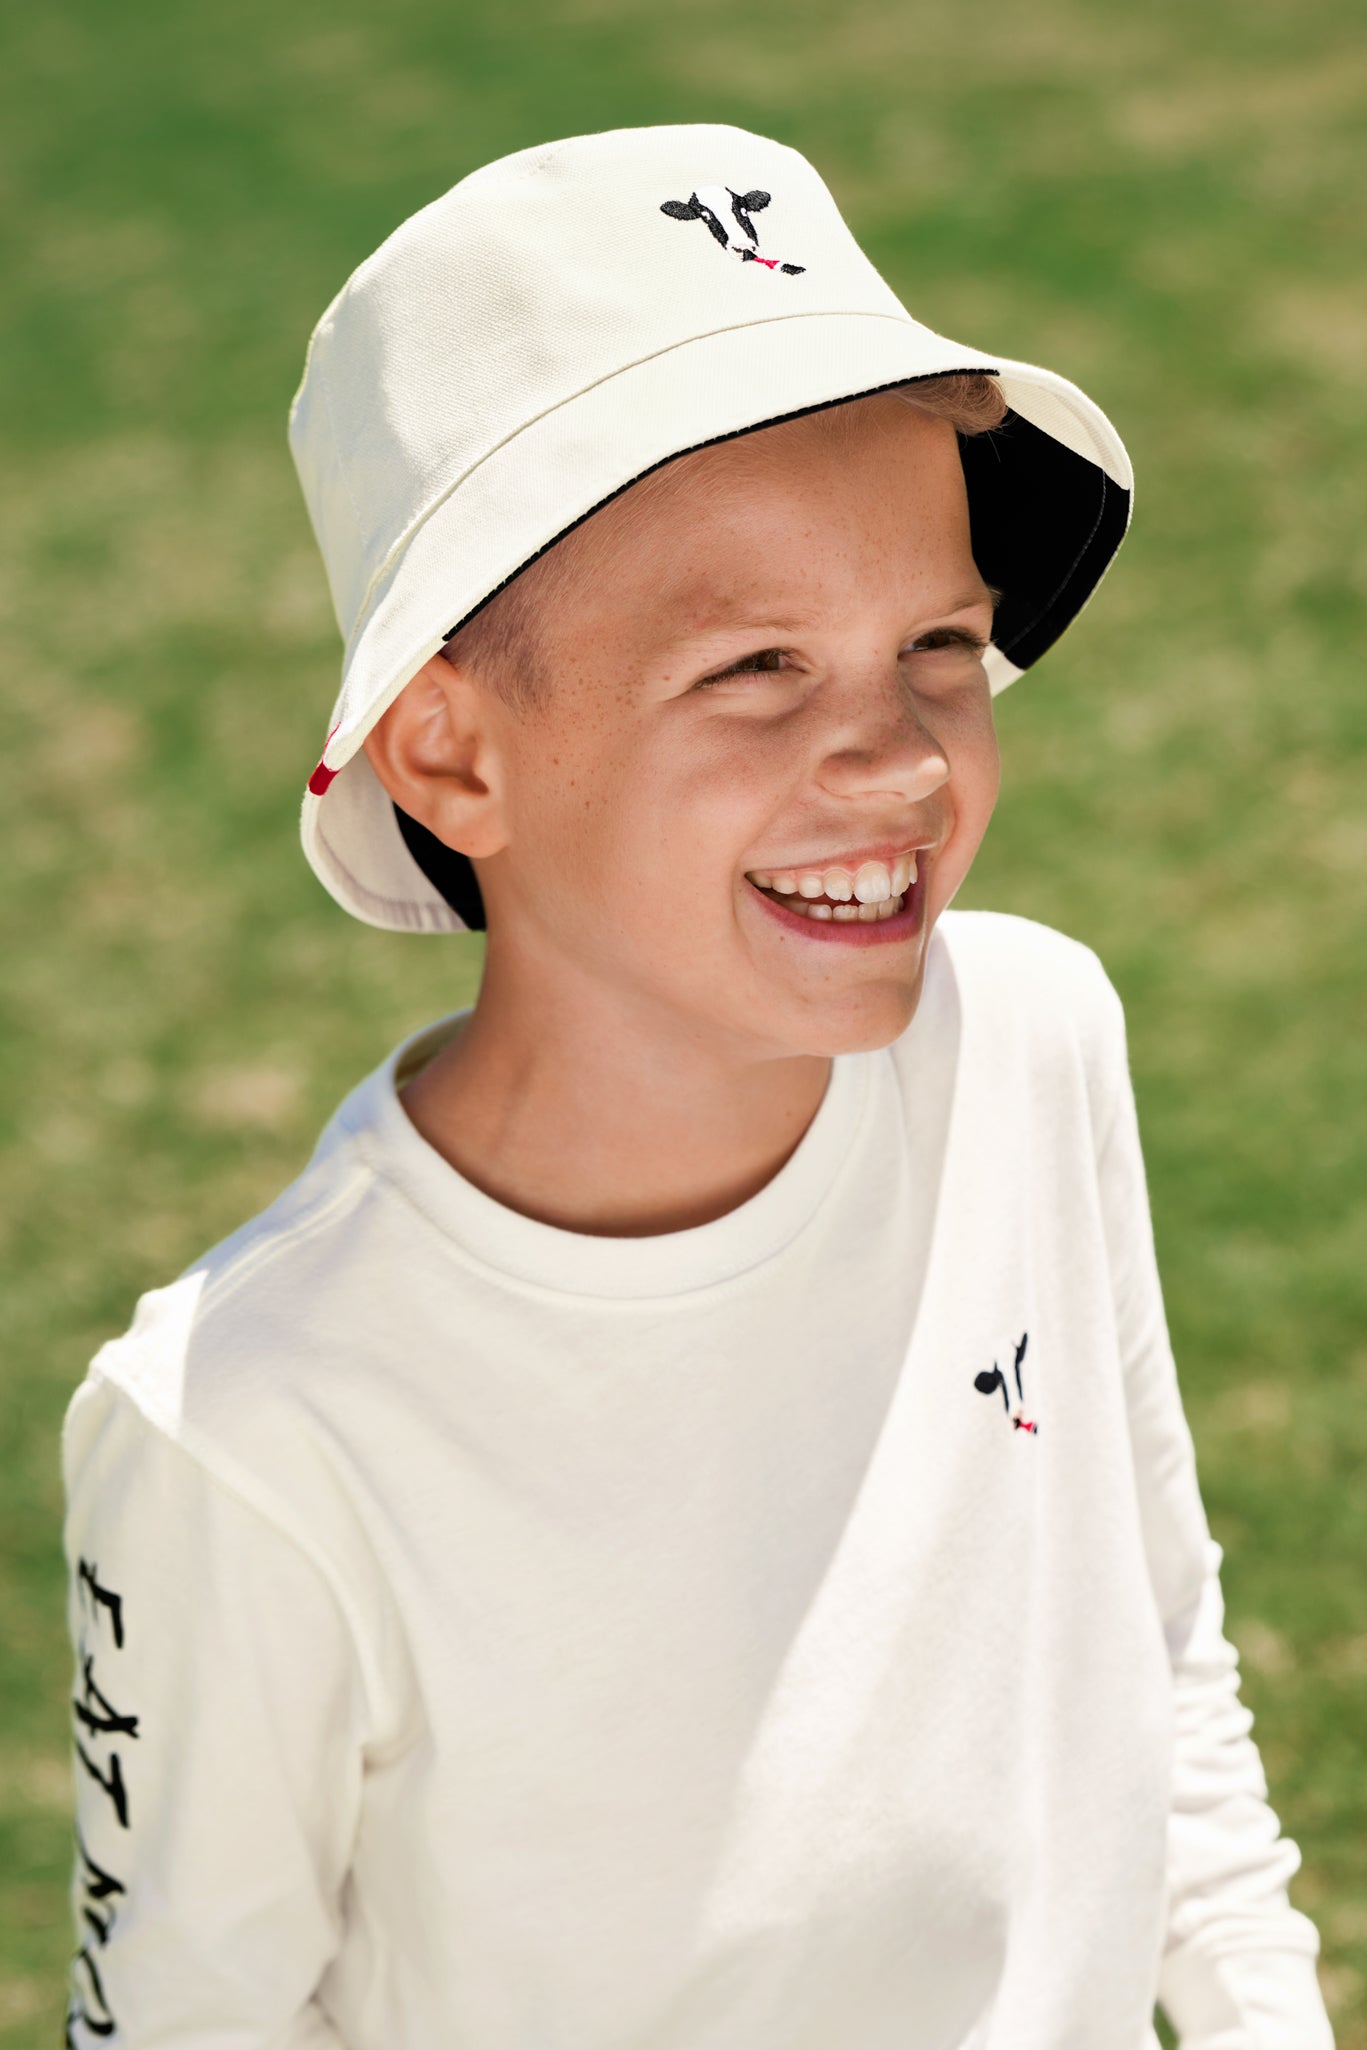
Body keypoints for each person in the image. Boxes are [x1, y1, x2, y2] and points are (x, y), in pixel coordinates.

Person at [59, 122, 1335, 2050]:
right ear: (450, 759)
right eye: (753, 667)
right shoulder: (245, 1424)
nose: (901, 763)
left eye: (940, 645)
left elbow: (1147, 1645)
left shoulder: (1036, 1045)